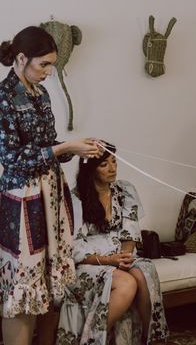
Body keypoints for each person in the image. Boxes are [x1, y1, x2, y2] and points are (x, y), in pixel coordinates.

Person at [0, 26, 100, 345]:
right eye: (43, 64)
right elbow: (12, 158)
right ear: (21, 58)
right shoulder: (4, 98)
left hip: (51, 197)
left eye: (51, 66)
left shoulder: (41, 95)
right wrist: (64, 148)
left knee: (47, 284)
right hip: (21, 200)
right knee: (24, 288)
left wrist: (78, 148)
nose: (48, 73)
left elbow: (48, 147)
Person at [56, 142, 169, 344]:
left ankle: (150, 338)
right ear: (90, 170)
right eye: (104, 165)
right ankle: (91, 340)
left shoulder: (125, 191)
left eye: (114, 162)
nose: (112, 168)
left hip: (120, 254)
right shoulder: (75, 199)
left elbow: (130, 231)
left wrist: (124, 258)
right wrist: (109, 260)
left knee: (144, 273)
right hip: (89, 262)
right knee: (127, 283)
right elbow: (73, 247)